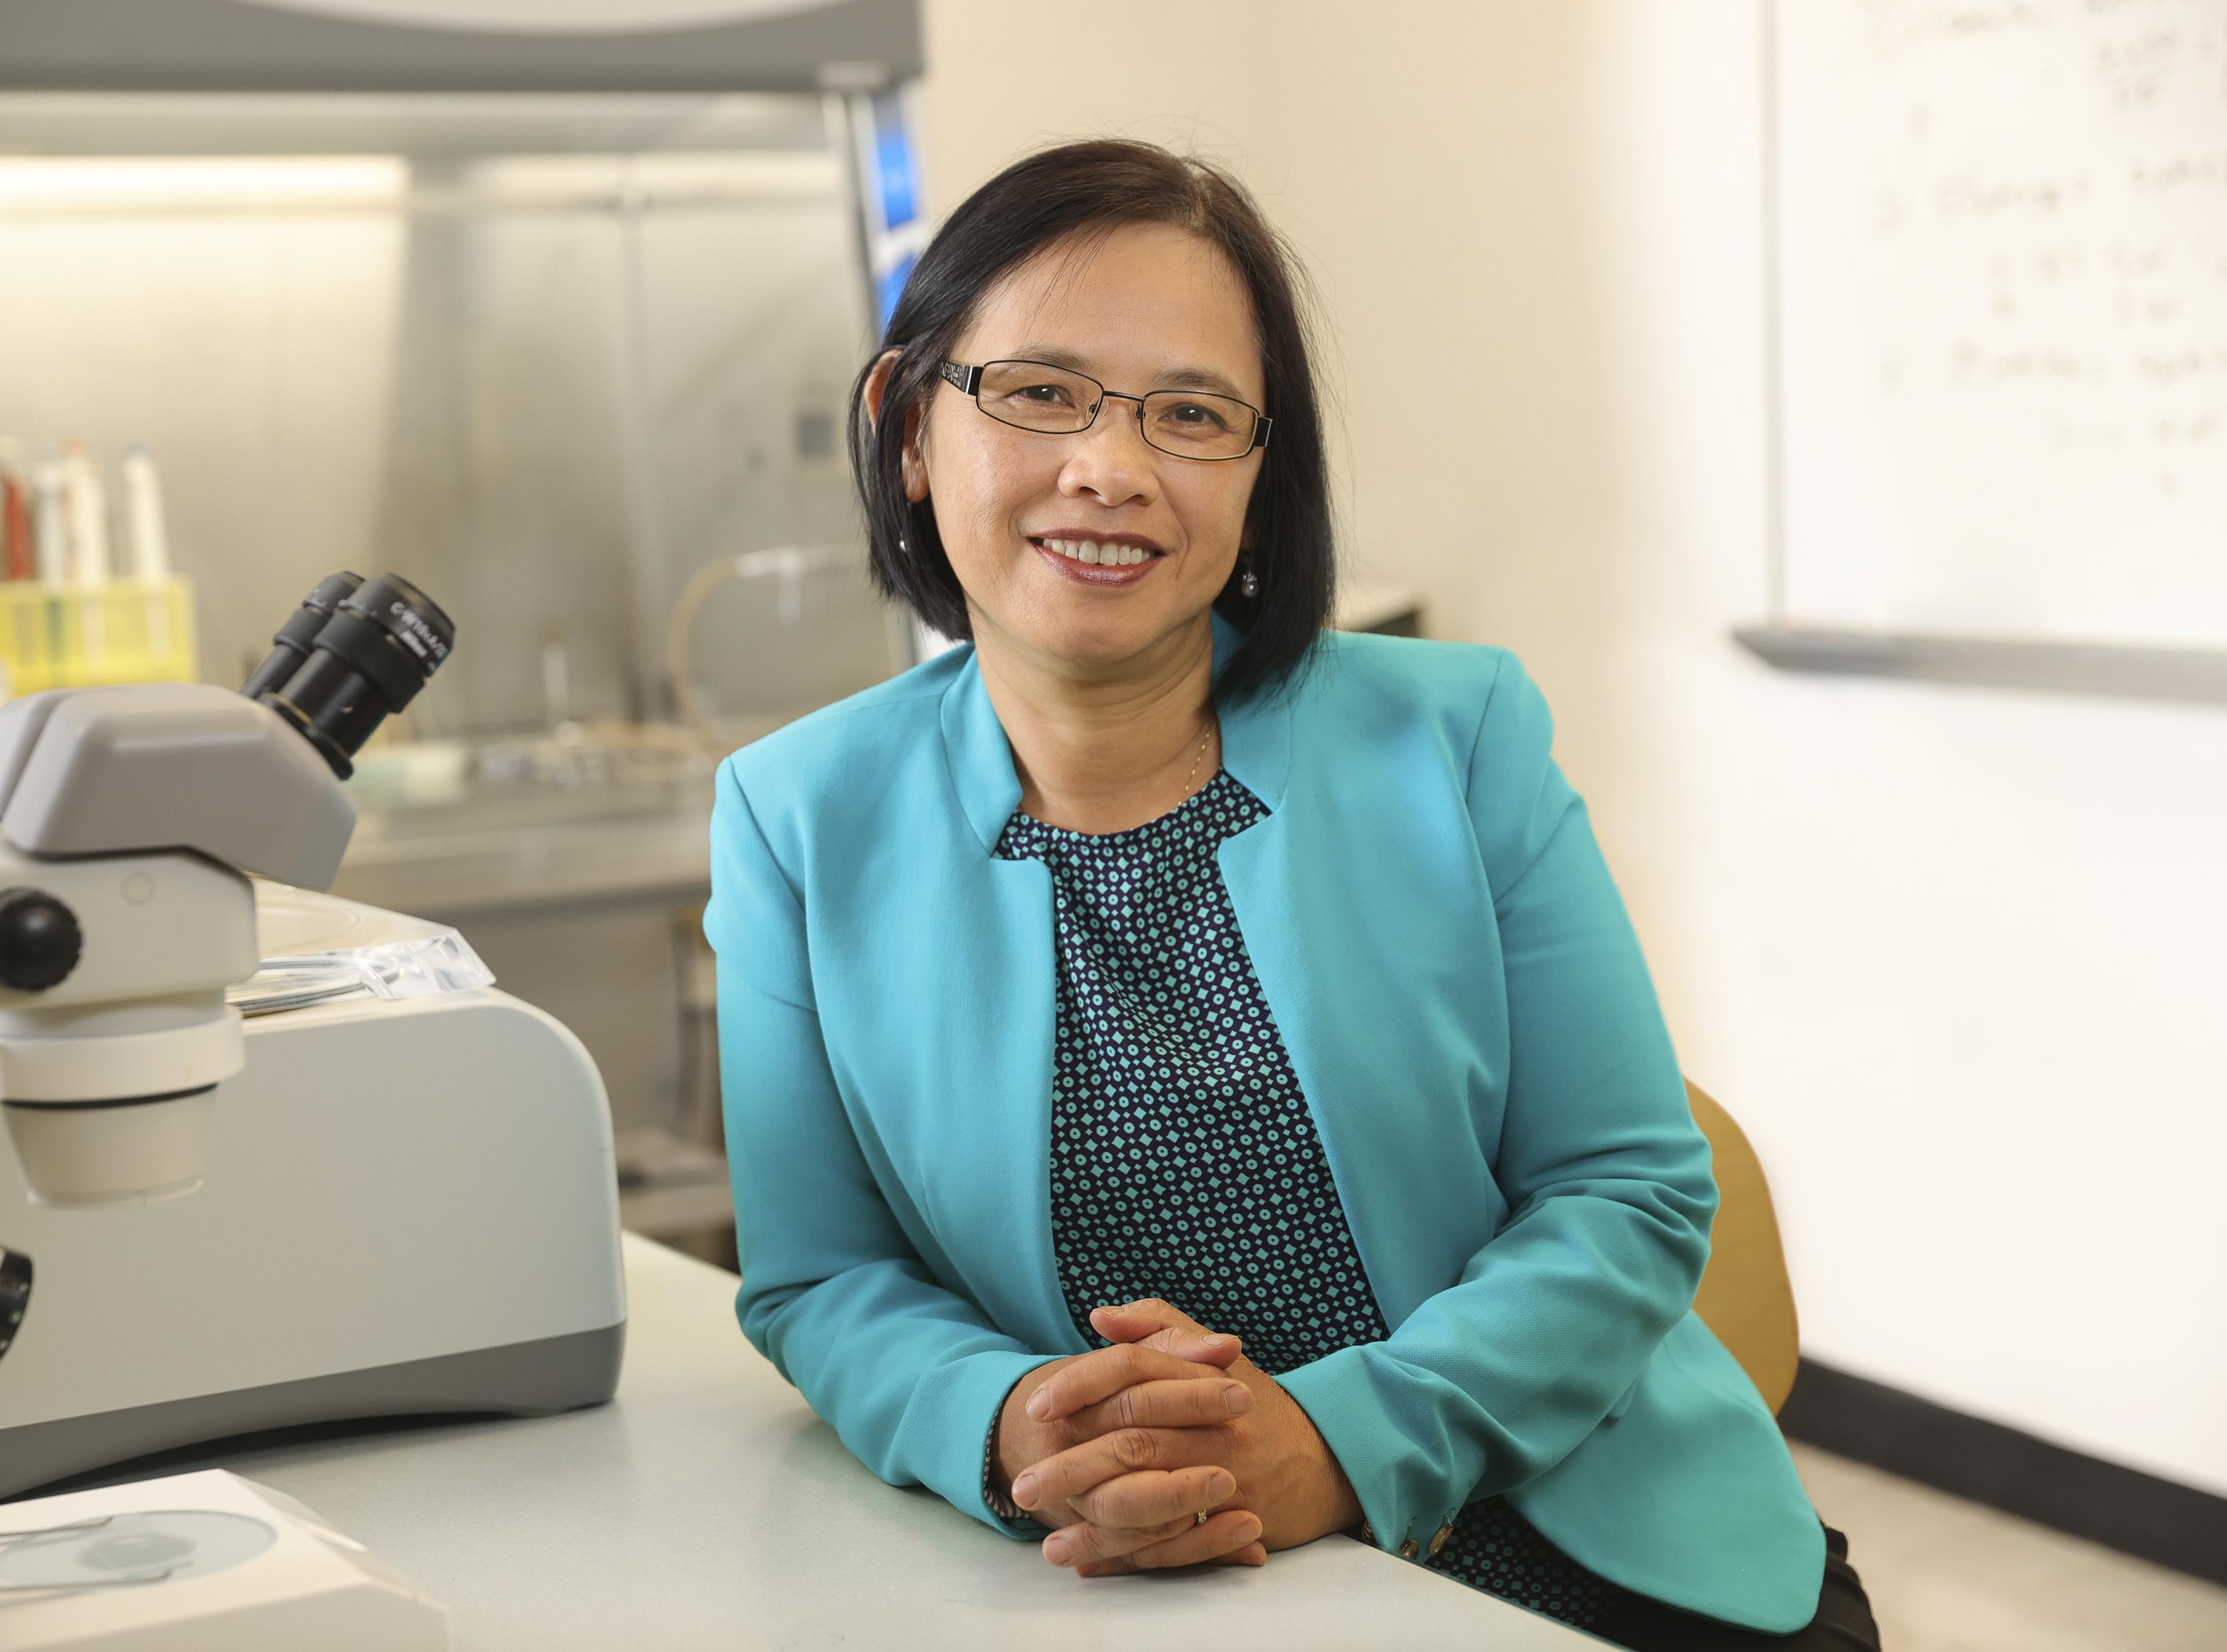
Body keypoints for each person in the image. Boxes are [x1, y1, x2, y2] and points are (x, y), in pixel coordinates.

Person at [702, 139, 1879, 1650]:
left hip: (1581, 1535)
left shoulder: (1458, 738)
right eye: (1041, 391)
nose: (1110, 468)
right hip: (1130, 1572)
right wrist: (1003, 1416)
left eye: (1191, 414)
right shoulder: (797, 813)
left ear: (1262, 482)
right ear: (910, 426)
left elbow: (1629, 1189)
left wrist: (1336, 1440)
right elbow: (822, 1274)